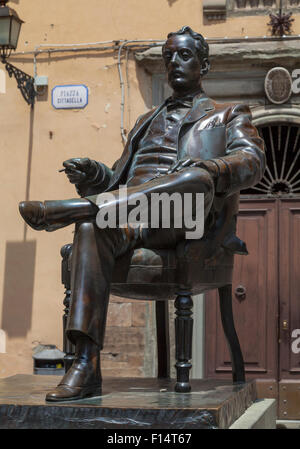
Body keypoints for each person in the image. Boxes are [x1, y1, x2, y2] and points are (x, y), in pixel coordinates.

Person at [19, 26, 265, 401]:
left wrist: (212, 170)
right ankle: (86, 364)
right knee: (89, 228)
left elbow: (252, 161)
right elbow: (119, 180)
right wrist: (94, 175)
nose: (174, 63)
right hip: (131, 217)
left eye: (184, 55)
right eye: (168, 57)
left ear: (205, 64)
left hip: (183, 219)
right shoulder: (144, 121)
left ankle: (71, 211)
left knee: (193, 178)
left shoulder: (227, 115)